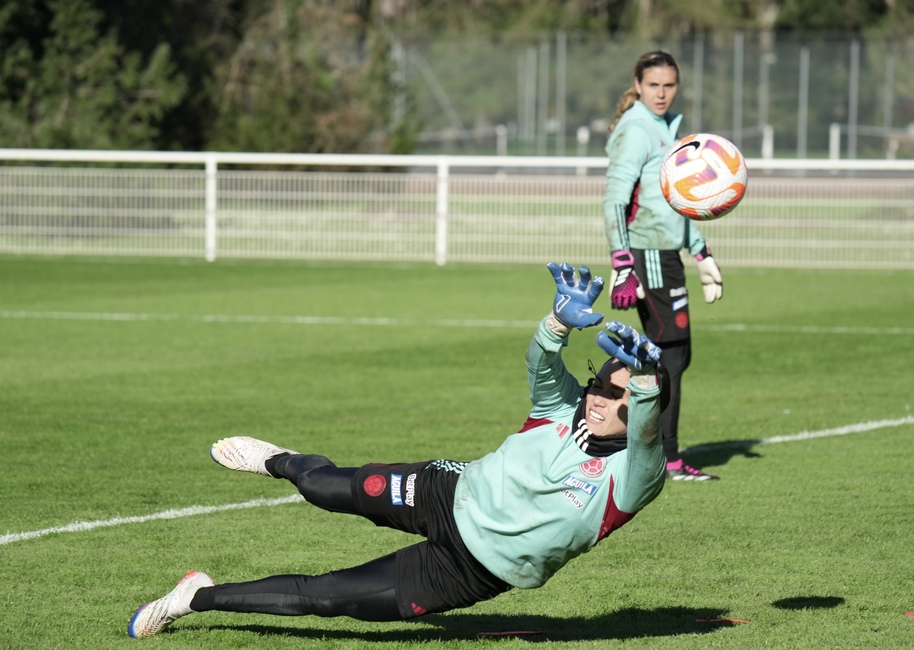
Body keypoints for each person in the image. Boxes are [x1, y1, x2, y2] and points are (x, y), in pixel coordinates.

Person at [128, 262, 670, 639]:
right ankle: (280, 460)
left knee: (324, 598)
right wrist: (553, 325)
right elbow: (539, 363)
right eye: (600, 382)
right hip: (447, 490)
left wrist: (643, 381)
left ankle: (193, 598)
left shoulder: (637, 473)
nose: (599, 396)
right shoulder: (563, 407)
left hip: (467, 570)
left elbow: (645, 434)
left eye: (618, 394)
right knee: (322, 487)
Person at [602, 50, 722, 481]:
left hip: (665, 253)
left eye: (669, 85)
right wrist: (622, 260)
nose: (662, 93)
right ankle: (661, 457)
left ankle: (629, 444)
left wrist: (702, 252)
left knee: (666, 354)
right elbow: (615, 200)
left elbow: (679, 200)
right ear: (637, 85)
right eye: (653, 85)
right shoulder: (638, 130)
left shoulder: (665, 129)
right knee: (669, 354)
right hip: (647, 254)